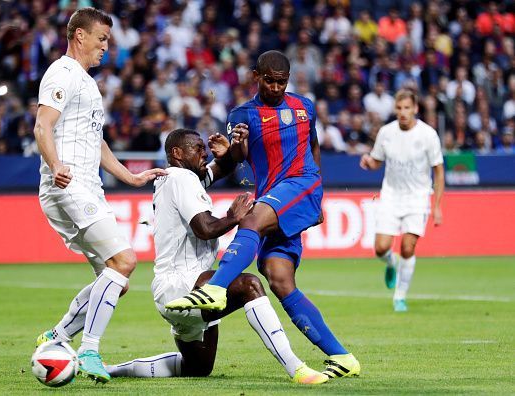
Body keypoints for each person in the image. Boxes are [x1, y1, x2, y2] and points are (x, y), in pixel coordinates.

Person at [165, 50, 360, 380]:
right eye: (269, 80)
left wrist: (316, 194)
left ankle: (216, 288)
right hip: (273, 194)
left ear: (288, 79)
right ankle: (342, 356)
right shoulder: (242, 114)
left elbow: (312, 147)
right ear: (256, 76)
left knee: (251, 217)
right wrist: (235, 147)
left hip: (301, 184)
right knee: (279, 278)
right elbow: (239, 159)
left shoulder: (304, 107)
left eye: (281, 82)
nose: (275, 87)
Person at [105, 128, 329, 384]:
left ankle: (112, 369)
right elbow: (205, 229)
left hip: (175, 288)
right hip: (185, 285)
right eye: (198, 149)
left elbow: (219, 169)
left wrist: (233, 150)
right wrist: (235, 217)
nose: (205, 153)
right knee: (249, 285)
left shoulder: (179, 177)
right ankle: (296, 368)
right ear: (177, 153)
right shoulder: (182, 179)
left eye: (205, 148)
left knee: (197, 368)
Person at [33, 8, 165, 383]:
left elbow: (96, 141)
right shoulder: (62, 73)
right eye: (101, 38)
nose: (106, 47)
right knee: (124, 260)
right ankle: (88, 349)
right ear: (79, 36)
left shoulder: (87, 83)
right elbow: (43, 125)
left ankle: (56, 337)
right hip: (67, 183)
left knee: (115, 282)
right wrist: (56, 165)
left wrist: (131, 177)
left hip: (86, 185)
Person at [359, 89, 445, 312]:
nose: (403, 112)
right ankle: (390, 263)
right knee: (381, 248)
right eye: (399, 108)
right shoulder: (386, 132)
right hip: (391, 196)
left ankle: (400, 296)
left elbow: (439, 171)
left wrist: (437, 206)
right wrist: (369, 162)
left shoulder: (428, 135)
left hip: (417, 198)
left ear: (415, 109)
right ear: (395, 109)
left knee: (408, 247)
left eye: (407, 108)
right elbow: (378, 161)